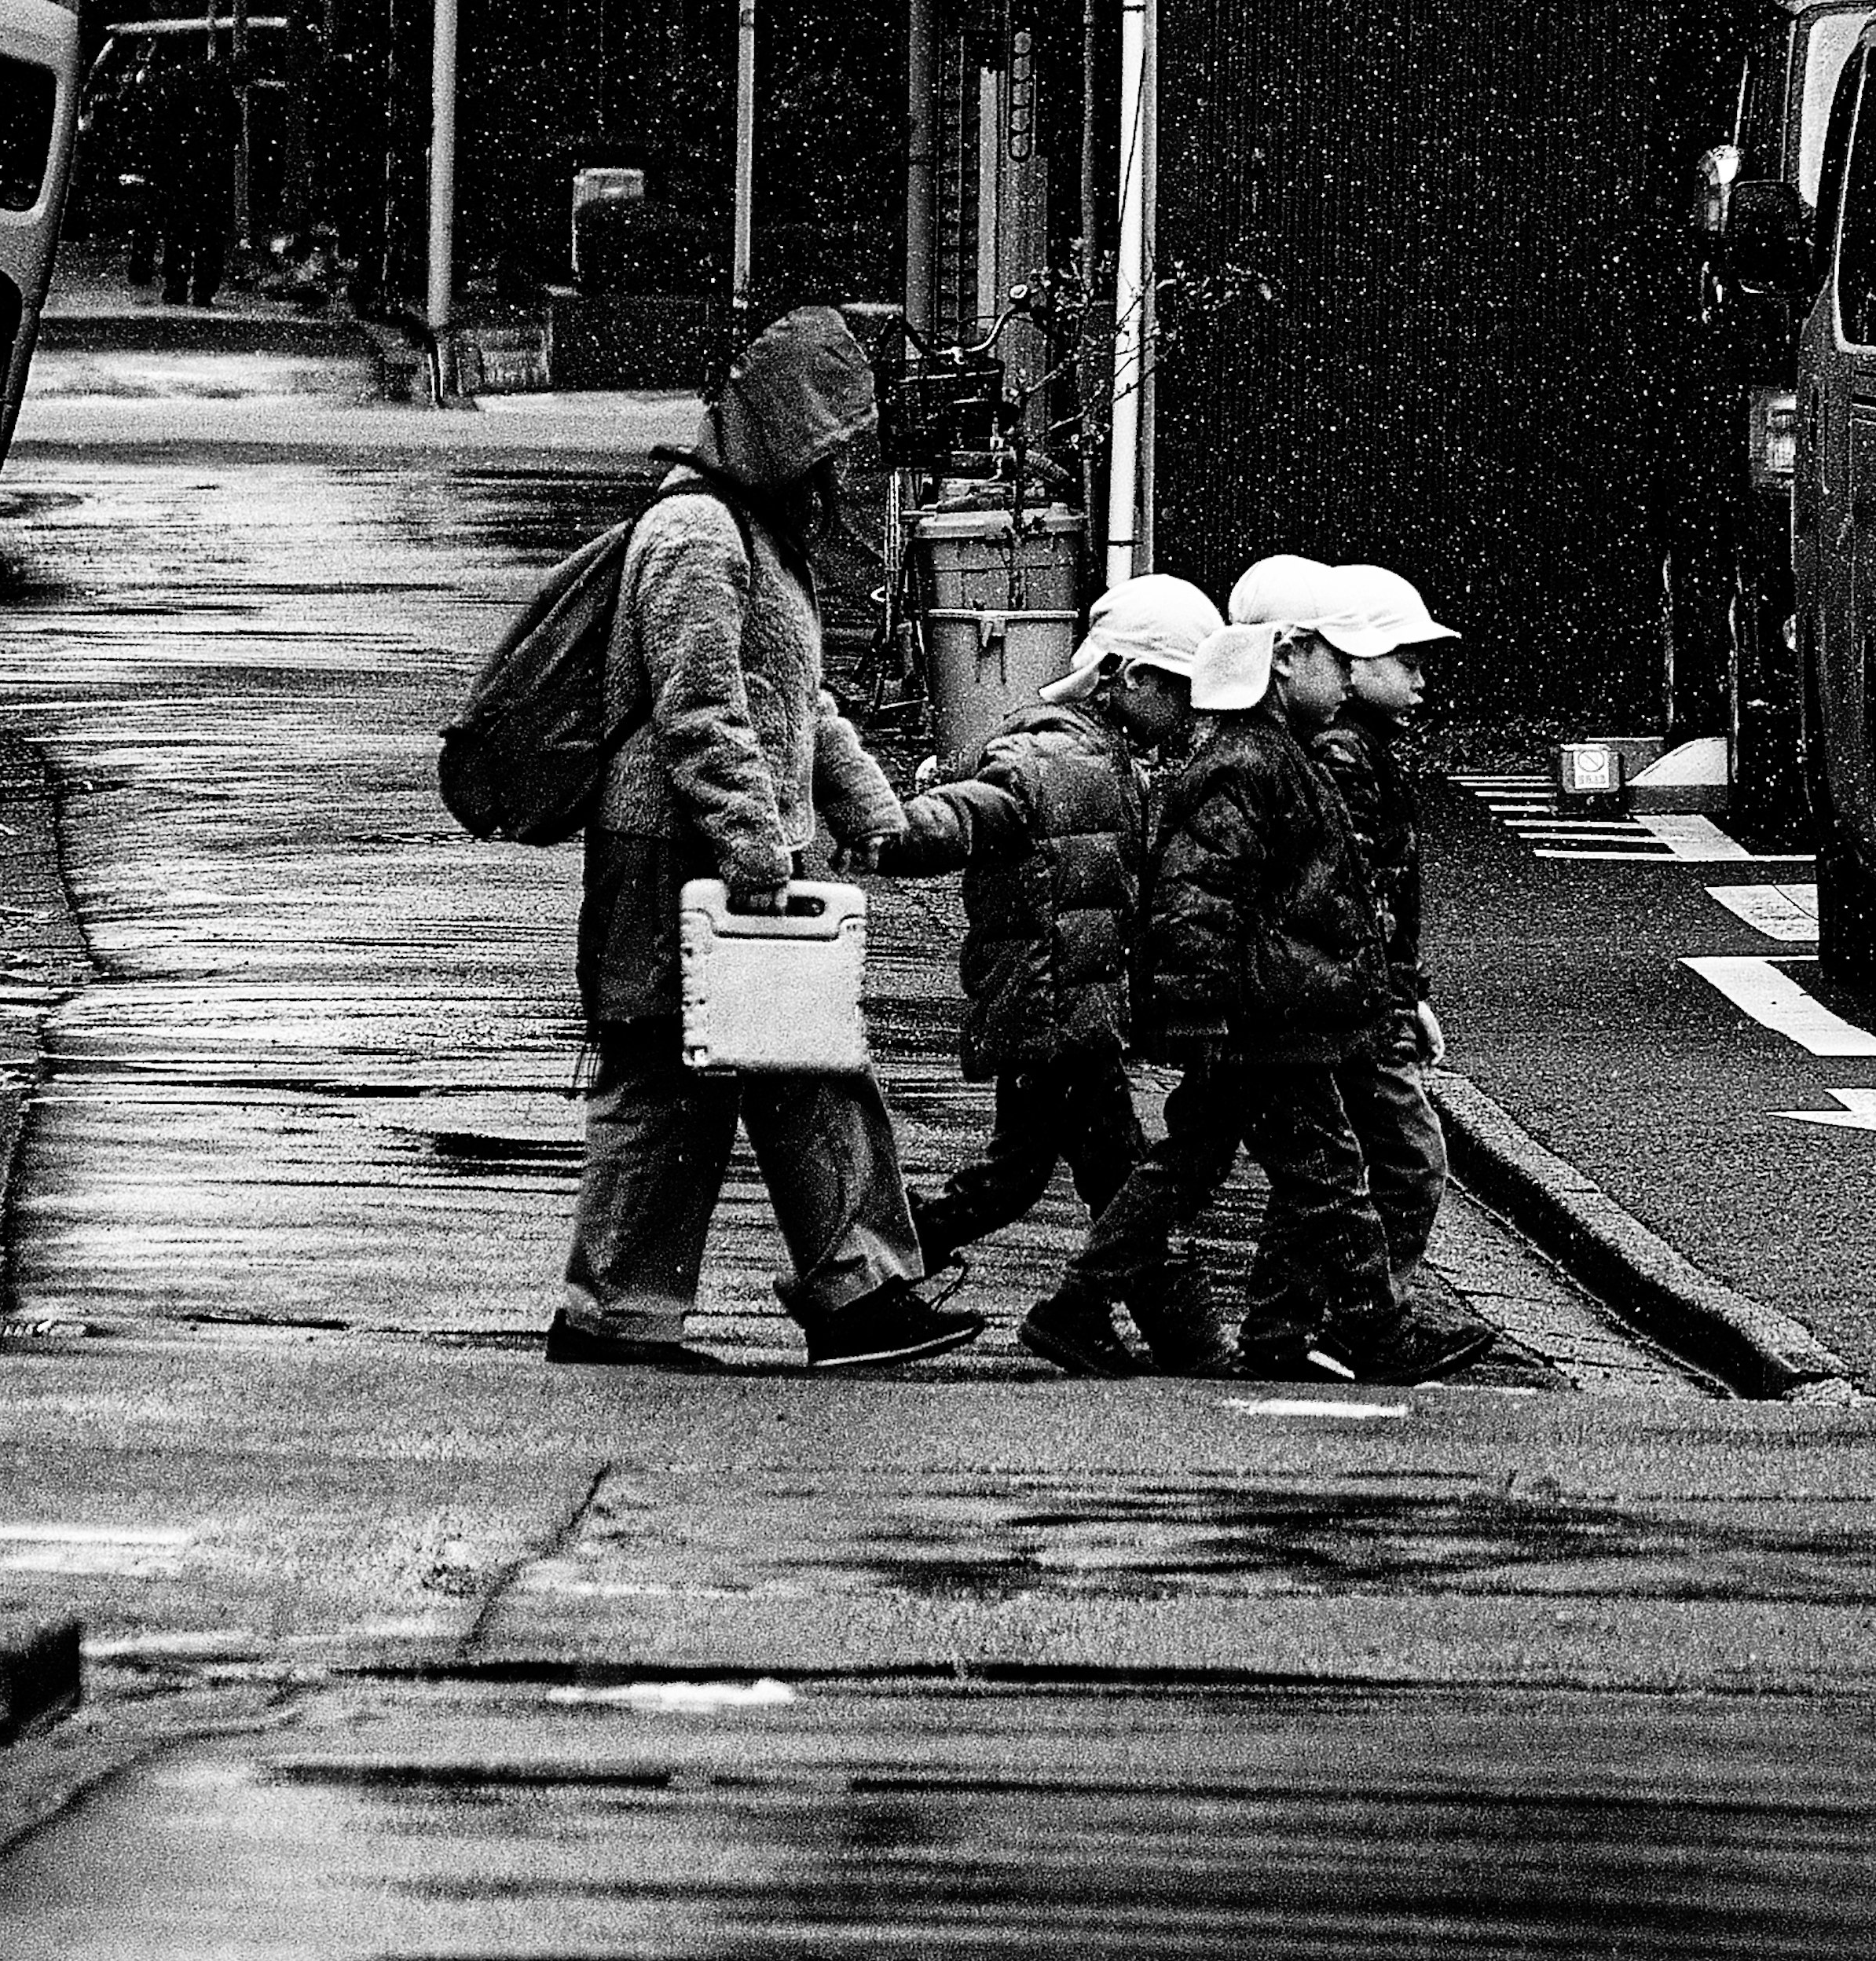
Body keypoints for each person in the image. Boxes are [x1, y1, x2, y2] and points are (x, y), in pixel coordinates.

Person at [548, 306, 983, 1375]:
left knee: (786, 1071)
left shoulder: (747, 527)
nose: (841, 460)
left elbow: (801, 703)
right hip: (677, 854)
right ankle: (655, 1311)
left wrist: (869, 816)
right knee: (682, 1086)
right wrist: (759, 849)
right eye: (830, 435)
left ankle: (828, 1293)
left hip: (731, 850)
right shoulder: (698, 532)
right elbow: (700, 707)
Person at [871, 575, 1224, 1362]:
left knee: (1029, 1174)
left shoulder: (1112, 760)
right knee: (1116, 1175)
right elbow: (972, 810)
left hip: (1066, 1008)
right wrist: (891, 830)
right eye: (1181, 691)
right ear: (1130, 677)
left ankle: (872, 1273)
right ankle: (1176, 1336)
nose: (1190, 712)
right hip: (1052, 1010)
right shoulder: (1050, 758)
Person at [1065, 572, 1402, 1380]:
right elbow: (1199, 898)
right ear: (1287, 655)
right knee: (1327, 1171)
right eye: (1337, 657)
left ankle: (1077, 1304)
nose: (1351, 677)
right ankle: (1377, 1331)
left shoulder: (1264, 755)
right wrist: (1198, 1012)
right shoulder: (1250, 763)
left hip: (1254, 1012)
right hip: (1264, 1015)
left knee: (1194, 1163)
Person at [1311, 566, 1460, 1303]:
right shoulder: (1345, 759)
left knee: (1331, 1168)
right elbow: (1365, 897)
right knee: (1407, 1157)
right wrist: (1402, 997)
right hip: (1353, 996)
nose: (1420, 680)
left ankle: (1336, 1313)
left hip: (1356, 990)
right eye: (1406, 661)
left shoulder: (1356, 753)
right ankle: (1366, 1312)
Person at [150, 38, 236, 311]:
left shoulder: (173, 84)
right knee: (209, 232)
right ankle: (203, 287)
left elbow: (160, 127)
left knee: (179, 229)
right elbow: (231, 125)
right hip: (210, 169)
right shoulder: (218, 86)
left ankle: (176, 284)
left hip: (181, 168)